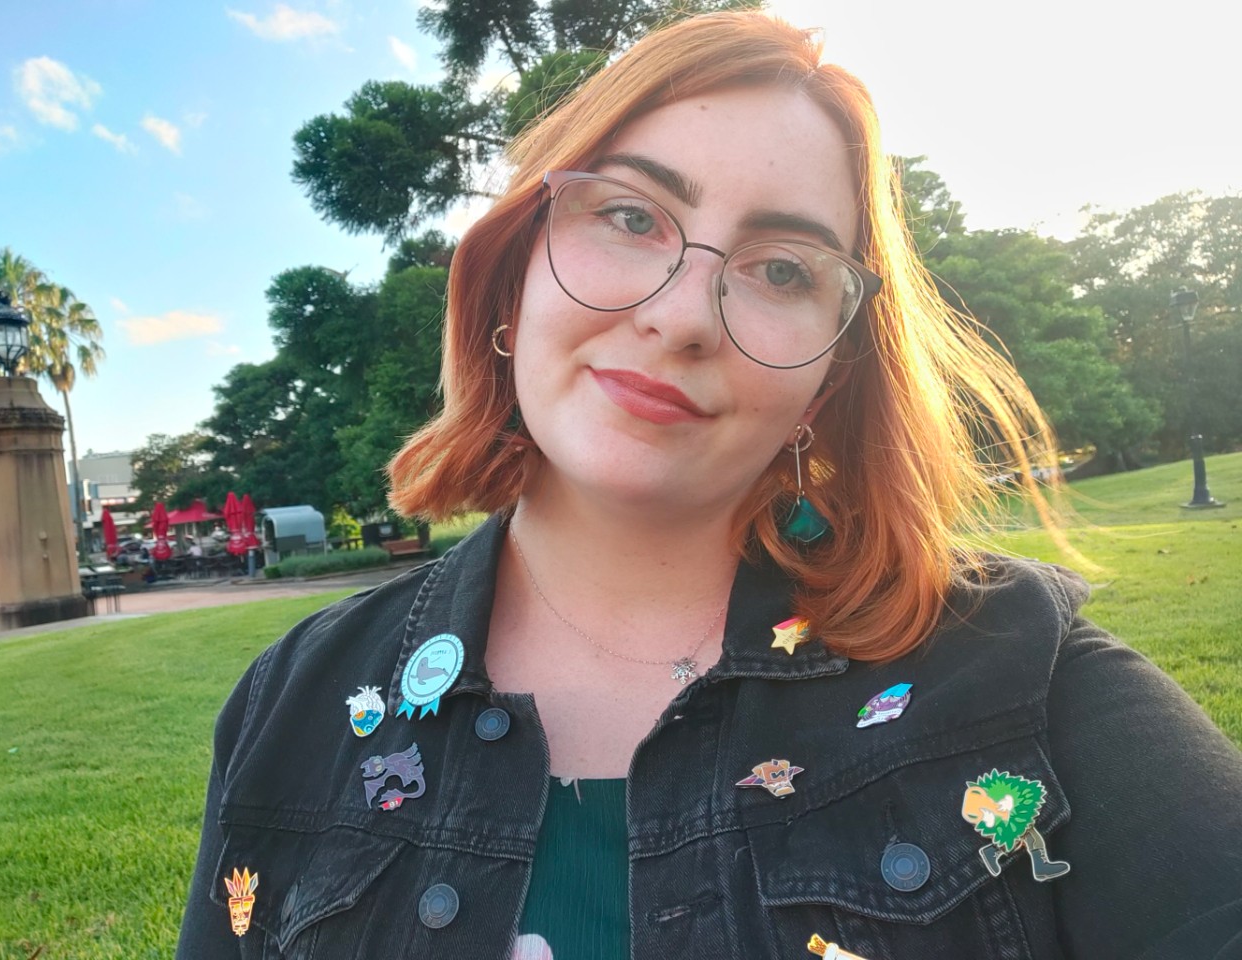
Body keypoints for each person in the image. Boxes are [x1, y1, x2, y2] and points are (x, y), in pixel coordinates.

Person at [176, 12, 1242, 960]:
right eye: (630, 217)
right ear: (514, 269)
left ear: (831, 372)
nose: (682, 315)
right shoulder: (292, 703)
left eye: (782, 270)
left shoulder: (1025, 679)